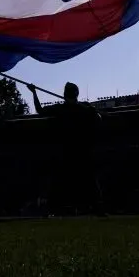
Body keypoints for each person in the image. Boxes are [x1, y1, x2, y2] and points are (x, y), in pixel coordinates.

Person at [27, 82, 106, 216]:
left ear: (64, 95)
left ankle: (56, 208)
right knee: (90, 180)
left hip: (66, 152)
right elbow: (98, 121)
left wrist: (34, 93)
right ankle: (97, 208)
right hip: (82, 151)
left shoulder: (61, 109)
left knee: (61, 181)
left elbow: (40, 110)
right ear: (77, 94)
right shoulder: (85, 108)